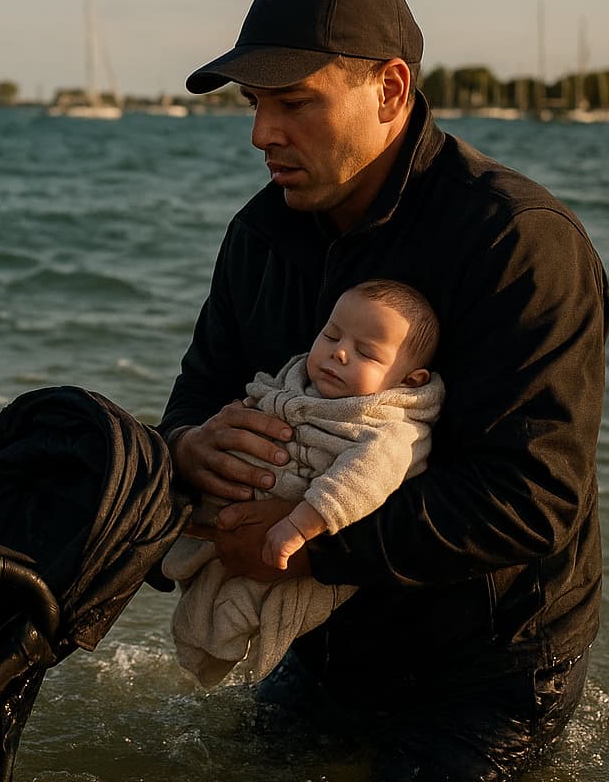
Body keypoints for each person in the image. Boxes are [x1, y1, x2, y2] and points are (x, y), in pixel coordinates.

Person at [161, 0, 609, 782]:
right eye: (254, 104)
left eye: (293, 102)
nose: (261, 133)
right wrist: (192, 449)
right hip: (325, 642)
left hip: (490, 662)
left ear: (392, 89)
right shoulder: (259, 234)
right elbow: (194, 396)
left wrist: (303, 545)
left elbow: (535, 498)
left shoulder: (519, 243)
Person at [164, 279, 444, 686]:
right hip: (242, 501)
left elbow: (361, 480)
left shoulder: (390, 430)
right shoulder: (296, 381)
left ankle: (215, 661)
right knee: (191, 578)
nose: (340, 351)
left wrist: (298, 527)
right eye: (331, 335)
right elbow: (258, 395)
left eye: (365, 352)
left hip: (301, 537)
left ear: (410, 381)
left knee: (243, 609)